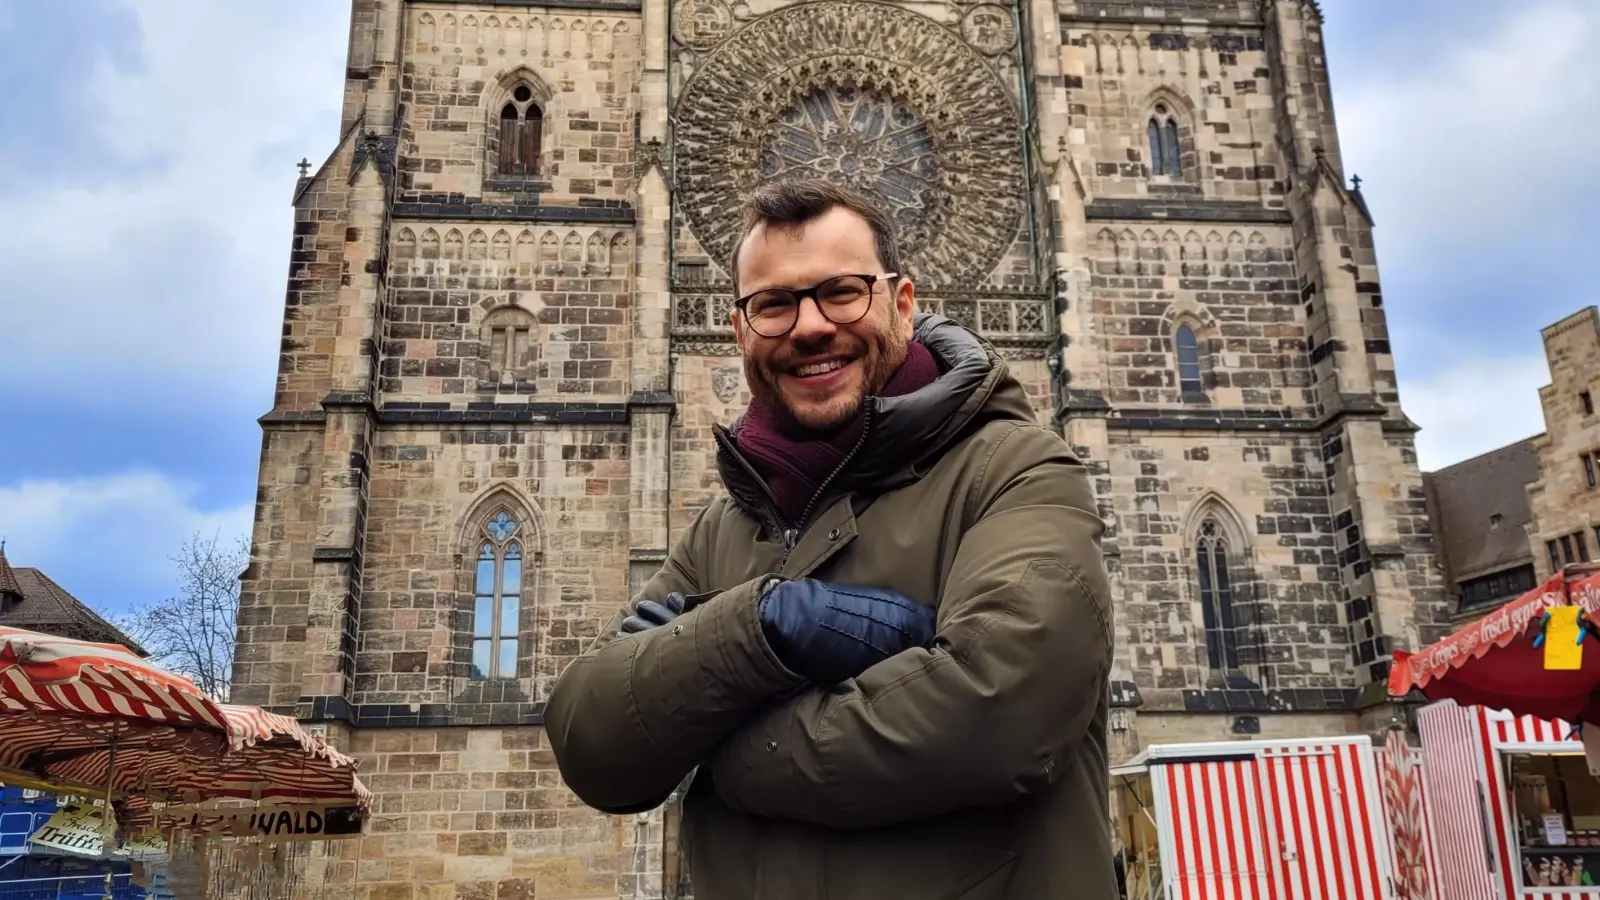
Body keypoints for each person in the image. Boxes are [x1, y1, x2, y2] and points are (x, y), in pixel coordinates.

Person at [545, 177, 1116, 899]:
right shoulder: (725, 527)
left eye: (842, 292)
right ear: (741, 331)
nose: (811, 326)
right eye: (774, 304)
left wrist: (720, 743)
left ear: (901, 304)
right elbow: (592, 740)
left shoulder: (1015, 469)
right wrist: (767, 623)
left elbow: (1001, 716)